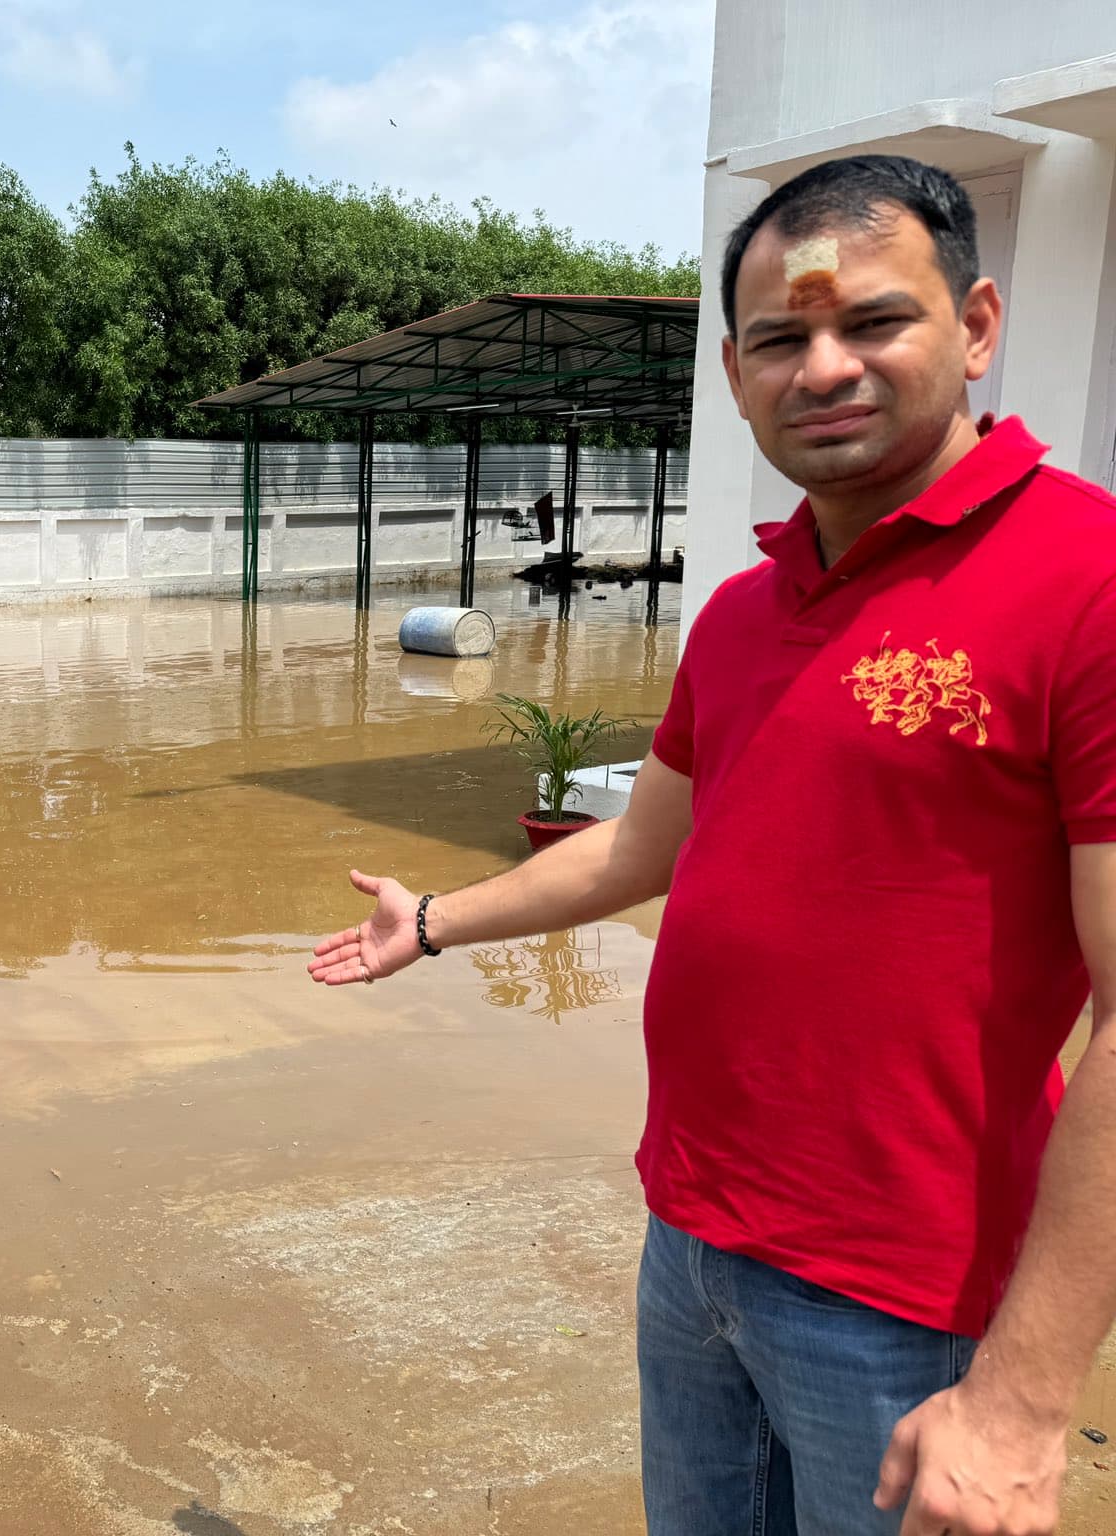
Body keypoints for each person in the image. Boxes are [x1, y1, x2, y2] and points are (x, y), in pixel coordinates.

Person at [310, 154, 1116, 1536]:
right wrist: (435, 919)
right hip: (692, 1246)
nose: (824, 369)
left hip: (902, 1295)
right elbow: (639, 850)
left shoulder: (1085, 581)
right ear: (737, 378)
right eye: (779, 340)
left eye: (873, 322)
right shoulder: (745, 613)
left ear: (976, 327)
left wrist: (1027, 1401)